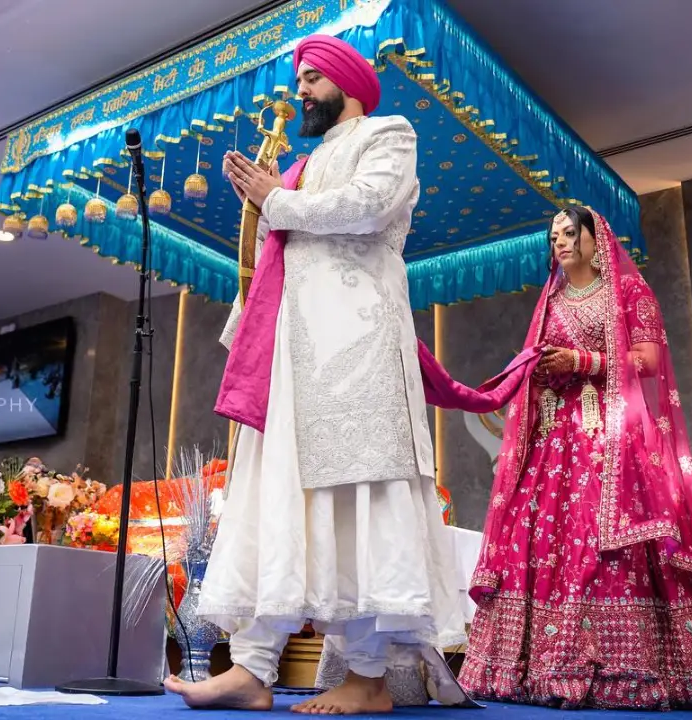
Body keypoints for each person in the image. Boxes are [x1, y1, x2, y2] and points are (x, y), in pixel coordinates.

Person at [162, 33, 468, 714]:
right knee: (280, 507)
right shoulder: (300, 168)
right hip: (293, 364)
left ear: (345, 82)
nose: (298, 92)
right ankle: (253, 667)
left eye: (309, 80)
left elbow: (370, 207)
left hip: (358, 357)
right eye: (298, 81)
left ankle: (367, 678)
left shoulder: (388, 133)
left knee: (355, 511)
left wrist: (276, 199)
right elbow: (277, 256)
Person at [431, 205, 692, 712]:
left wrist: (584, 361)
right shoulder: (551, 297)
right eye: (554, 237)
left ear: (596, 238)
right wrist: (542, 371)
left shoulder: (627, 292)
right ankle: (532, 666)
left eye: (570, 233)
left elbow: (651, 360)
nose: (561, 243)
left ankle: (626, 668)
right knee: (542, 541)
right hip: (553, 444)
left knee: (603, 544)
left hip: (608, 440)